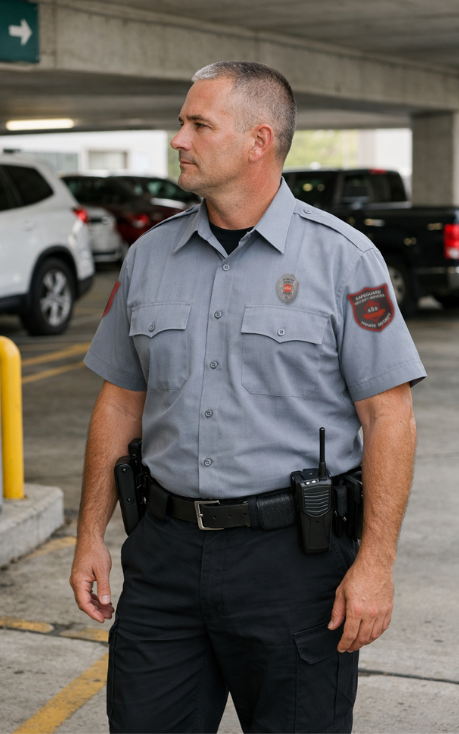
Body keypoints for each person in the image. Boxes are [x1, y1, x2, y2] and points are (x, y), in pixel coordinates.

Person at [70, 61, 426, 734]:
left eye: (198, 124)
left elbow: (389, 417)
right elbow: (119, 404)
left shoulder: (343, 260)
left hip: (295, 567)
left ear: (258, 141)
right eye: (182, 122)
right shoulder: (150, 256)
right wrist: (89, 534)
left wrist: (376, 564)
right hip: (165, 558)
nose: (178, 138)